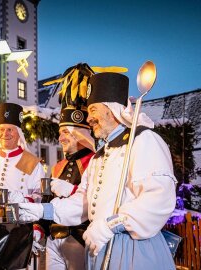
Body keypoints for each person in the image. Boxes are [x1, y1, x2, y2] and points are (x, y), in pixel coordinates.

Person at [19, 72, 177, 269]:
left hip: (134, 250)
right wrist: (44, 210)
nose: (89, 118)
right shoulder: (99, 156)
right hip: (101, 250)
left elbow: (158, 199)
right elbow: (83, 202)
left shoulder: (144, 140)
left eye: (93, 110)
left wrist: (110, 226)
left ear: (111, 111)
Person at [36, 64, 95, 270]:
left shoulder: (95, 161)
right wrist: (39, 229)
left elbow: (94, 201)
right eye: (60, 132)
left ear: (81, 135)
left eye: (67, 133)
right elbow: (47, 202)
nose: (61, 137)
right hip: (54, 241)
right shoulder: (58, 166)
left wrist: (70, 190)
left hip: (79, 240)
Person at [0, 102, 44, 218]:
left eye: (10, 130)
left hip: (19, 223)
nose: (5, 134)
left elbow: (39, 196)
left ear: (19, 134)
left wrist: (21, 200)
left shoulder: (32, 162)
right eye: (2, 129)